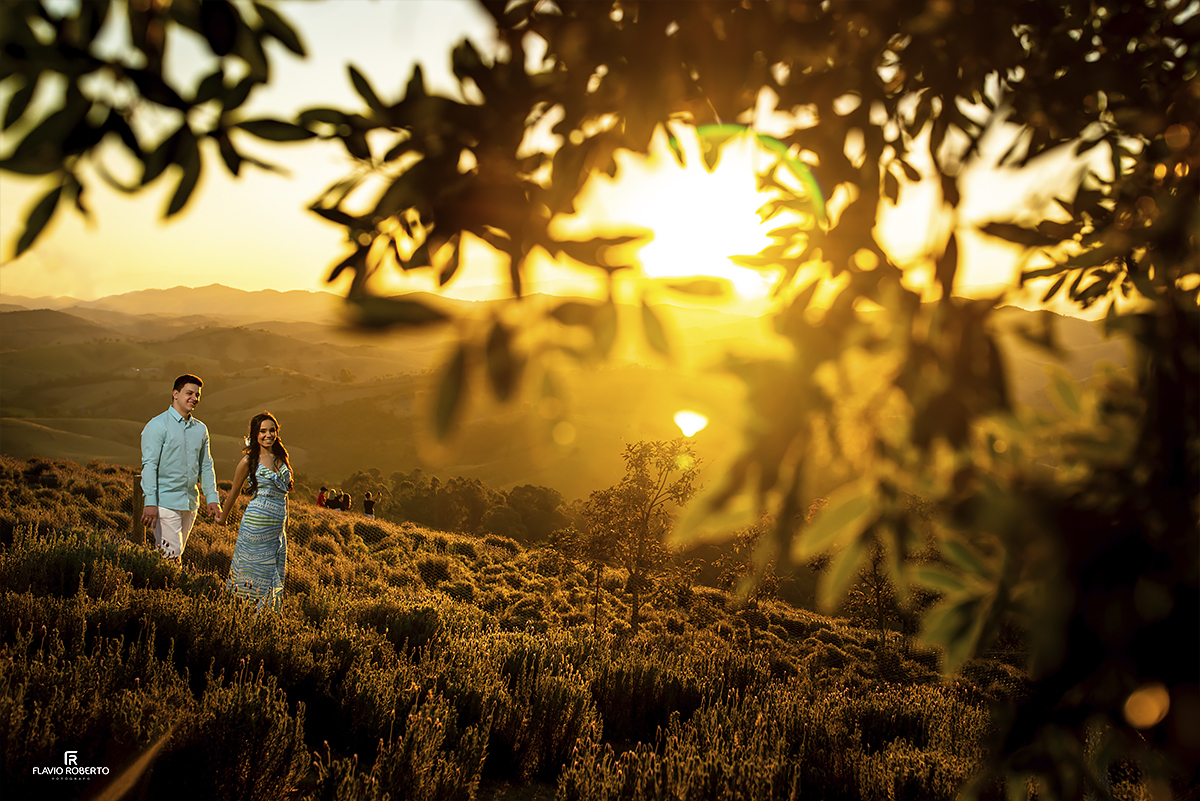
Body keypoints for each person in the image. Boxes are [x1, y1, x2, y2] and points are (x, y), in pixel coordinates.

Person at [216, 411, 292, 611]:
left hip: (277, 528)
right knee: (252, 571)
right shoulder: (248, 461)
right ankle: (242, 613)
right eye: (263, 431)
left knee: (273, 571)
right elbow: (234, 492)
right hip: (256, 524)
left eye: (272, 430)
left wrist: (286, 525)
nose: (268, 435)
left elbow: (285, 493)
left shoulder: (281, 458)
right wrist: (222, 518)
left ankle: (266, 616)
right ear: (255, 434)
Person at [140, 374, 220, 561]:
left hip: (190, 504)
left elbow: (206, 466)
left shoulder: (201, 429)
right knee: (172, 555)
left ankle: (157, 580)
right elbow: (149, 465)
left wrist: (212, 498)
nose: (194, 398)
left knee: (170, 556)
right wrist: (150, 502)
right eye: (189, 393)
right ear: (175, 394)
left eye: (197, 395)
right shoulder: (157, 426)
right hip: (164, 503)